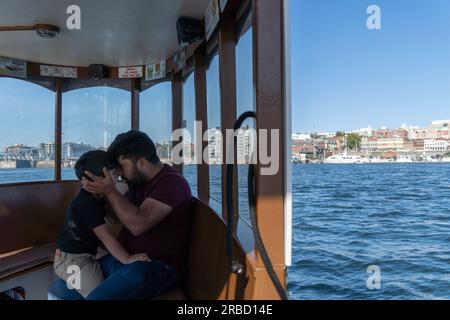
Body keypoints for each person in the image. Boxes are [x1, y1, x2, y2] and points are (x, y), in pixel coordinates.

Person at [48, 131, 192, 300]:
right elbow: (116, 218)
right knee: (59, 292)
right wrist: (104, 193)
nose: (119, 173)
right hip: (125, 259)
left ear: (142, 163)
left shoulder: (172, 183)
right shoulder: (138, 183)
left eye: (121, 167)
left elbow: (138, 224)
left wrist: (109, 190)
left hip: (154, 265)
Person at [53, 150, 150, 298]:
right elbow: (105, 237)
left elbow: (113, 219)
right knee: (100, 295)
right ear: (98, 178)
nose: (117, 176)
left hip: (87, 255)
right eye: (113, 173)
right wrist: (127, 259)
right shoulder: (87, 203)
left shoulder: (98, 196)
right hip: (72, 261)